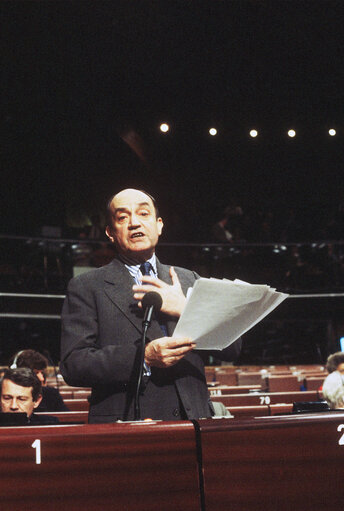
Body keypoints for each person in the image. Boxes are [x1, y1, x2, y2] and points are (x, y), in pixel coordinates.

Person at [60, 188, 241, 423]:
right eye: (122, 217)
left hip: (194, 424)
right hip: (127, 426)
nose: (134, 223)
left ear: (159, 225)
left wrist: (186, 309)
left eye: (143, 214)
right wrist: (143, 357)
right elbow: (74, 365)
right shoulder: (87, 286)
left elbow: (232, 348)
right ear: (110, 232)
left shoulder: (190, 280)